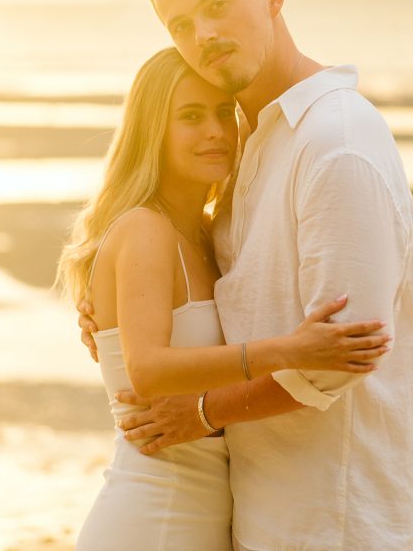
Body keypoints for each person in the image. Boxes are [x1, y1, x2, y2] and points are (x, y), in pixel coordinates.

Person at [78, 0, 413, 550]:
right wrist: (111, 321)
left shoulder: (335, 142)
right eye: (179, 25)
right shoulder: (253, 148)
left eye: (216, 6)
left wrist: (205, 411)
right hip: (257, 513)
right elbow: (221, 314)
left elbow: (342, 358)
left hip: (334, 519)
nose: (201, 36)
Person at [57, 47, 391, 551]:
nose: (215, 131)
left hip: (205, 514)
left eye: (222, 113)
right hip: (154, 515)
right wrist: (289, 350)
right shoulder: (145, 229)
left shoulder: (212, 235)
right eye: (190, 117)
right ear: (153, 131)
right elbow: (146, 369)